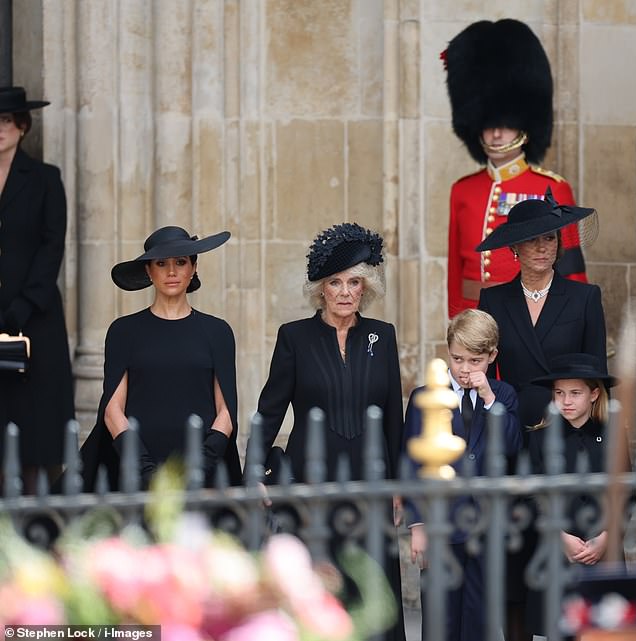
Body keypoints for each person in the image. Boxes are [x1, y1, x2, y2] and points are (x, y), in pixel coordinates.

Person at [254, 222, 406, 641]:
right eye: (335, 282)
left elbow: (395, 415)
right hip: (312, 483)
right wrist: (254, 472)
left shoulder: (383, 336)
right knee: (322, 591)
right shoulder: (294, 338)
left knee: (374, 587)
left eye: (354, 282)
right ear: (321, 288)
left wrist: (398, 484)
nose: (344, 291)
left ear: (366, 287)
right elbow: (269, 412)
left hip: (371, 482)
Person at [476, 190, 606, 641]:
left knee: (566, 561)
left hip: (569, 436)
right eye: (533, 240)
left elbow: (597, 377)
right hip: (514, 439)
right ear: (514, 248)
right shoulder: (493, 301)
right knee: (518, 562)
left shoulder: (585, 297)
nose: (543, 247)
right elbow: (483, 372)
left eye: (550, 238)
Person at [444, 18, 588, 318]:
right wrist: (456, 323)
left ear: (523, 127)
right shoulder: (463, 190)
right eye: (489, 126)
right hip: (475, 318)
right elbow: (455, 271)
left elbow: (571, 269)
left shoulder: (553, 188)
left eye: (507, 126)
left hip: (529, 315)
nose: (497, 134)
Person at [79, 226, 242, 490]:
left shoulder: (217, 331)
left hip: (203, 474)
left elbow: (226, 411)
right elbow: (112, 411)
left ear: (194, 268)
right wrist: (146, 471)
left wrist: (198, 468)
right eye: (161, 263)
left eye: (180, 262)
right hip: (136, 473)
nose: (172, 272)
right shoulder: (124, 331)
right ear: (148, 271)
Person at [402, 308, 523, 641]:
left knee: (480, 617)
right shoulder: (424, 398)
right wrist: (417, 524)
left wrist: (488, 397)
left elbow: (512, 445)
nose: (465, 369)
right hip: (442, 523)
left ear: (491, 356)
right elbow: (411, 465)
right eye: (458, 359)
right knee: (441, 619)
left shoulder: (504, 395)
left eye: (475, 361)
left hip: (487, 524)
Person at [0, 86, 75, 493]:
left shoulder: (45, 179)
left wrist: (24, 305)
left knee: (34, 428)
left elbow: (52, 244)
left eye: (6, 121)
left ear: (22, 127)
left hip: (35, 319)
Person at [526, 353, 632, 637]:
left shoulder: (613, 436)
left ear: (594, 393)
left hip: (604, 552)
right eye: (559, 393)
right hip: (559, 552)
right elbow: (534, 497)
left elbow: (626, 494)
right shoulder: (540, 438)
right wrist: (560, 537)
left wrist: (607, 538)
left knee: (603, 630)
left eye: (575, 393)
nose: (566, 401)